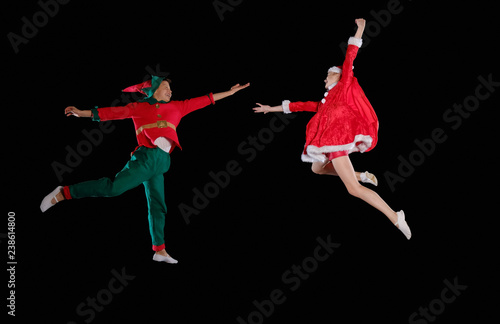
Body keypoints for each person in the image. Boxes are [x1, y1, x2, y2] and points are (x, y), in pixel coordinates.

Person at [40, 75, 250, 262]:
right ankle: (64, 192)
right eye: (166, 87)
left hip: (162, 162)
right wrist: (82, 112)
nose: (170, 91)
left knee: (158, 205)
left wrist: (230, 92)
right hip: (146, 158)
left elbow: (206, 99)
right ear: (155, 89)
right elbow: (111, 112)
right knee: (113, 189)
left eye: (170, 89)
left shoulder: (178, 107)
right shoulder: (139, 107)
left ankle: (159, 250)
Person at [253, 19, 411, 239]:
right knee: (317, 169)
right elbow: (301, 105)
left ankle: (395, 216)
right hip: (327, 142)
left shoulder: (344, 85)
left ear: (338, 75)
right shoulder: (325, 103)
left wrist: (360, 30)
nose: (325, 77)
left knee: (353, 190)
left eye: (329, 73)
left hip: (337, 142)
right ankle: (361, 174)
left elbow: (349, 58)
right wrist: (271, 108)